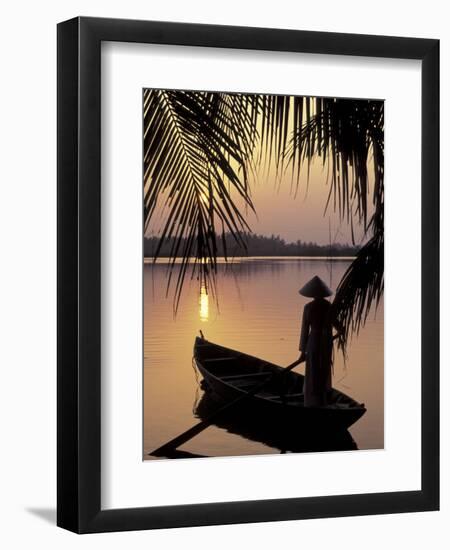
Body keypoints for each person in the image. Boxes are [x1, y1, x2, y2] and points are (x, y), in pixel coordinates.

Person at [298, 275, 341, 407]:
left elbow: (305, 330)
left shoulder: (308, 307)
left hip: (313, 342)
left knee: (313, 369)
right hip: (326, 342)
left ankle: (312, 401)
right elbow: (340, 329)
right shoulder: (329, 307)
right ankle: (322, 400)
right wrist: (332, 337)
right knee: (323, 369)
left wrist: (303, 352)